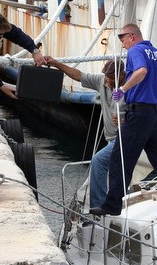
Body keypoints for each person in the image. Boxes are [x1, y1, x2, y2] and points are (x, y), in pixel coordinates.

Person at [89, 24, 157, 216]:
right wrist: (153, 82)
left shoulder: (136, 50)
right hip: (155, 114)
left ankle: (112, 205)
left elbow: (142, 71)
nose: (122, 43)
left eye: (122, 38)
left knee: (120, 157)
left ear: (132, 36)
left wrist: (123, 89)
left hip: (139, 113)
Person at [45, 56, 127, 208]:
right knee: (114, 172)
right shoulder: (102, 81)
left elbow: (142, 114)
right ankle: (113, 201)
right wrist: (56, 63)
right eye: (107, 76)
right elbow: (78, 75)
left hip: (125, 138)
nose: (108, 80)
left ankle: (98, 207)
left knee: (98, 161)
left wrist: (126, 121)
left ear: (122, 75)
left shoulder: (131, 87)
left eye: (111, 77)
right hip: (111, 139)